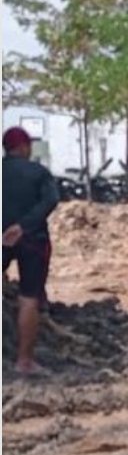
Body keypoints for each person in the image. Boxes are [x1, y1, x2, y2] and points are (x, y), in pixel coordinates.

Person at [2, 126, 60, 375]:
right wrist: (23, 226)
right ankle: (24, 361)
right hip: (32, 240)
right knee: (29, 297)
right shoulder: (38, 172)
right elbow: (51, 200)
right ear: (25, 147)